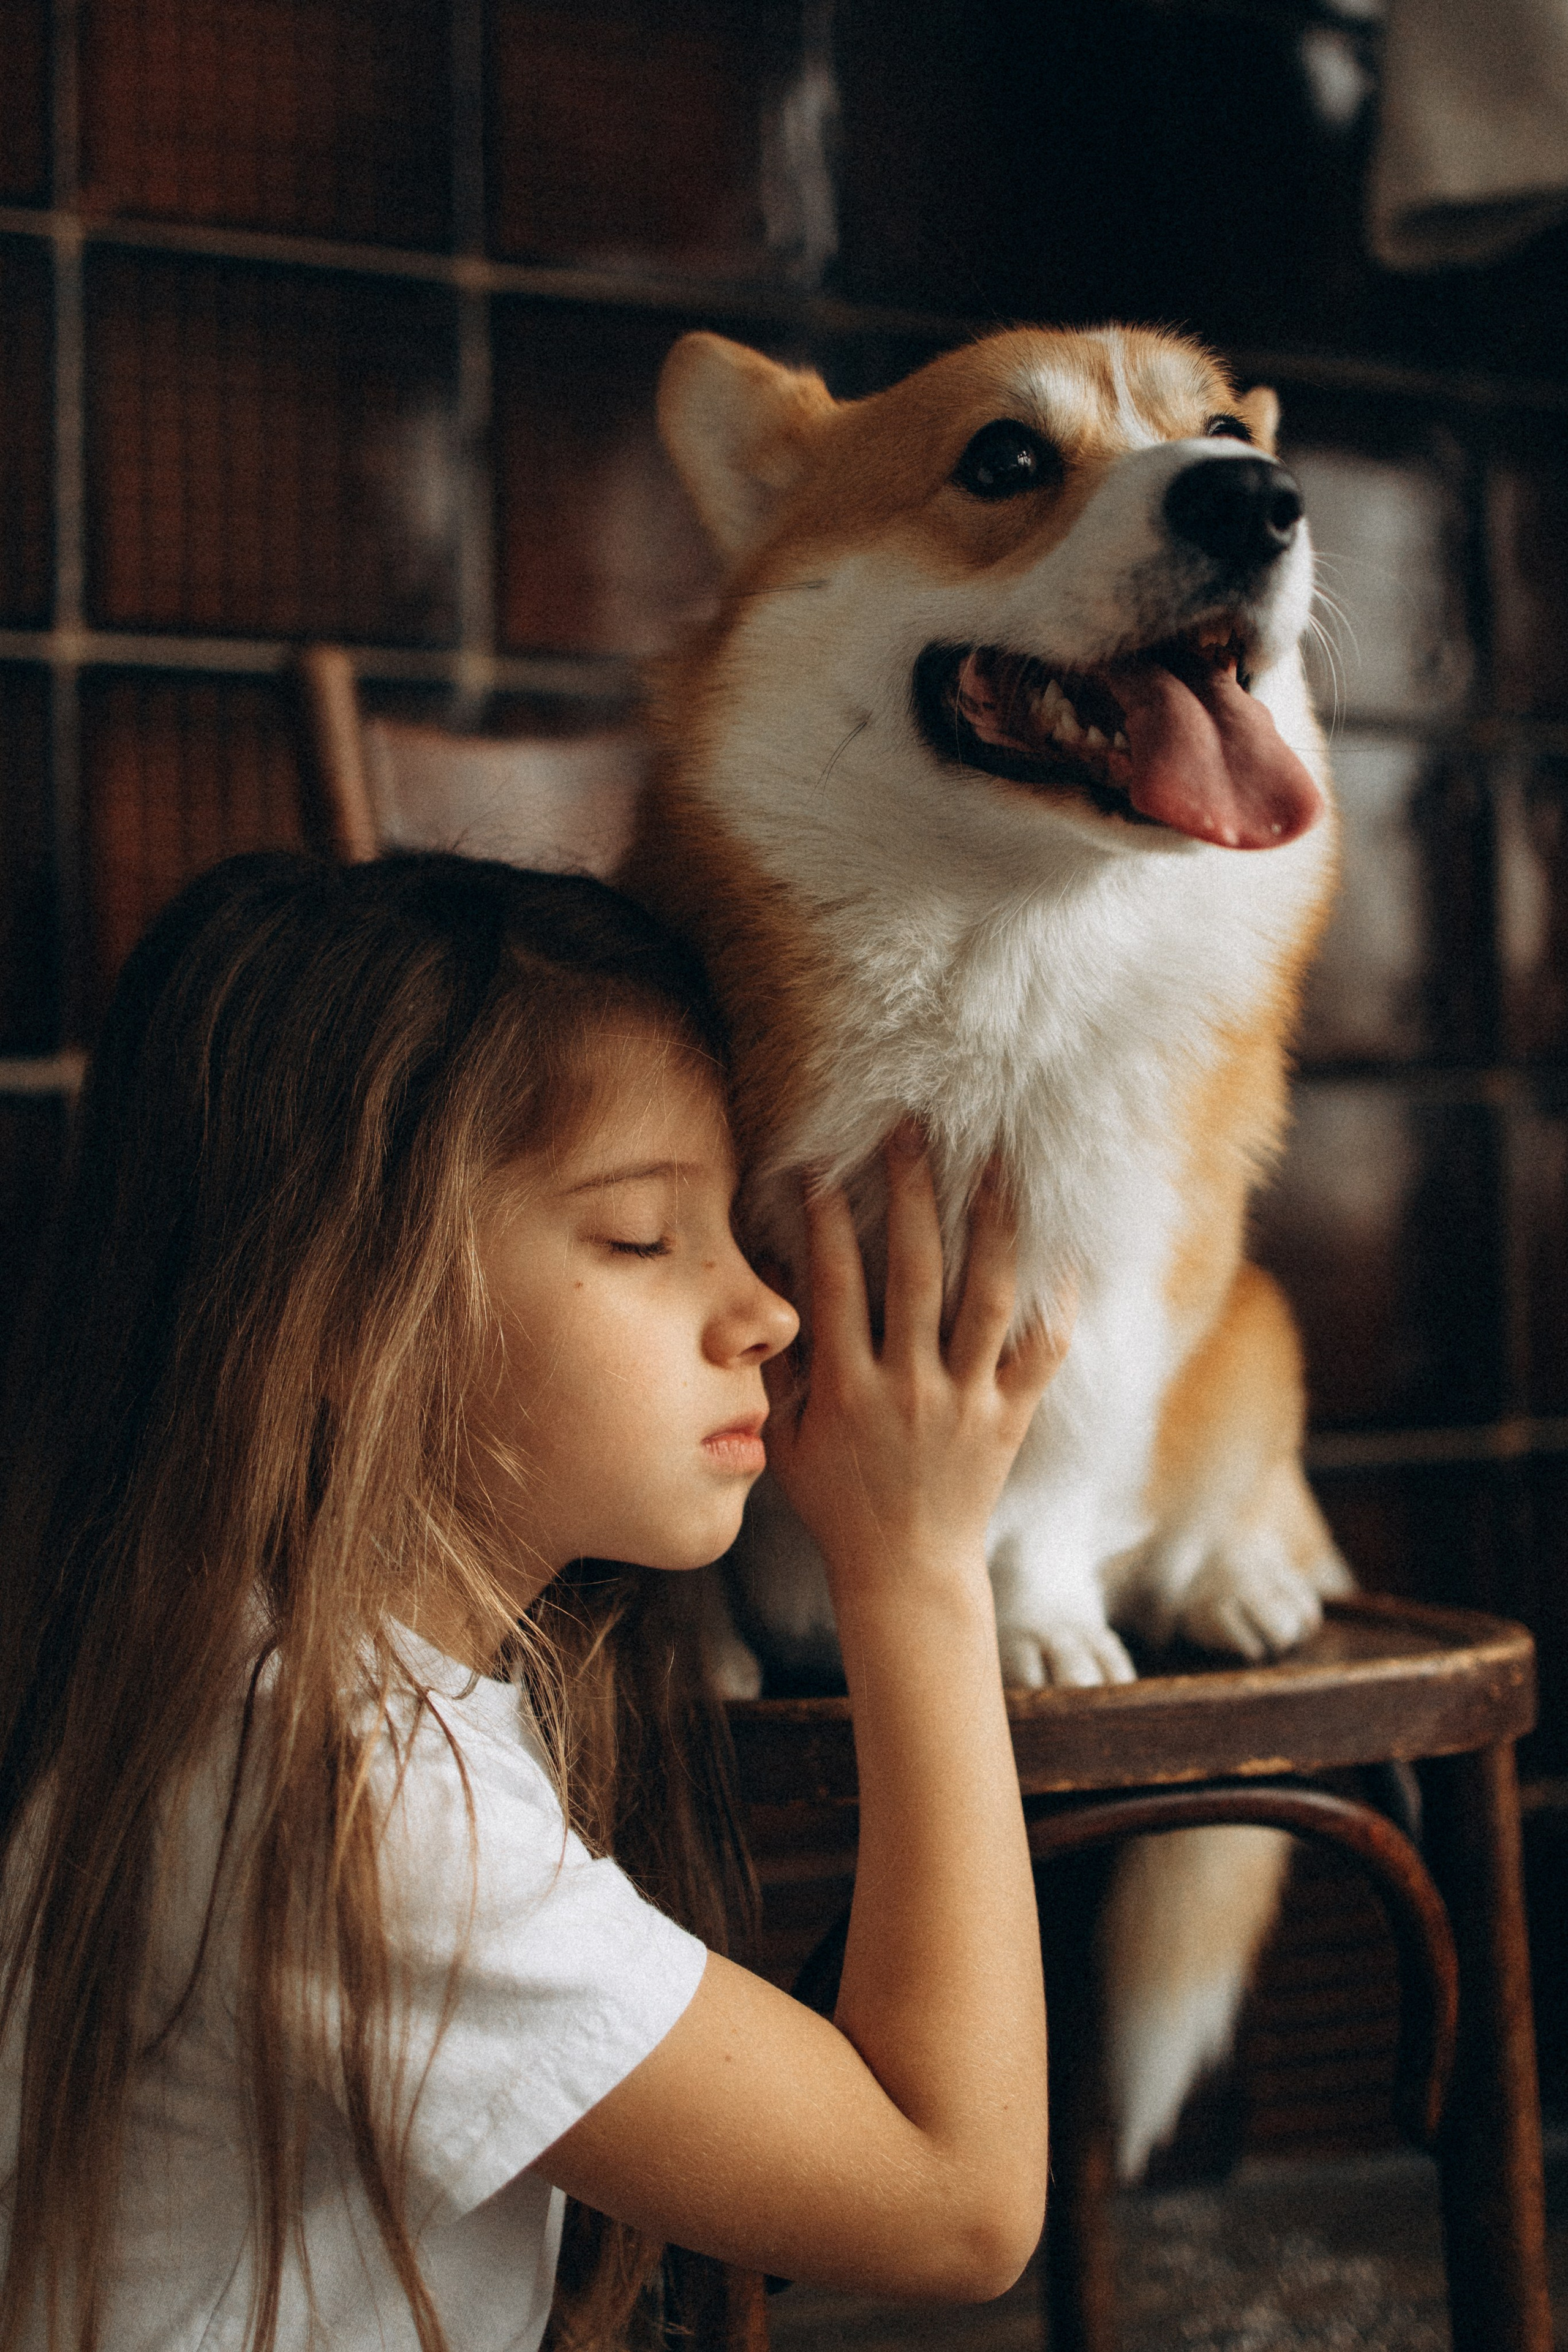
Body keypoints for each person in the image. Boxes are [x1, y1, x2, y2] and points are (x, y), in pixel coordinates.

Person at [0, 851, 1071, 2352]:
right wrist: (915, 1567)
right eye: (641, 1237)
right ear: (333, 1301)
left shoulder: (257, 1689)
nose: (760, 1312)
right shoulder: (349, 1793)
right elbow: (954, 2202)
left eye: (731, 1233)